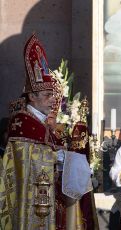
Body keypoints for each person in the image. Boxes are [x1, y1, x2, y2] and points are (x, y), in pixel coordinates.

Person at [0, 34, 62, 229]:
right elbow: (26, 160)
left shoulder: (42, 123)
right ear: (32, 97)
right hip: (30, 197)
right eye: (47, 95)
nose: (52, 100)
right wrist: (57, 157)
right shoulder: (23, 121)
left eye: (52, 95)